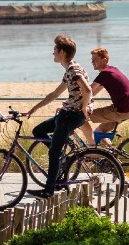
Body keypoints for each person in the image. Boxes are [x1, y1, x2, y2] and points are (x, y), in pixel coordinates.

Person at [23, 34, 91, 197]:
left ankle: (49, 190)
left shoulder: (73, 70)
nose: (52, 53)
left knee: (53, 153)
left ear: (61, 52)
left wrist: (83, 108)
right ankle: (61, 157)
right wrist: (34, 109)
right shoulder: (70, 69)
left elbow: (87, 90)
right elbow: (54, 94)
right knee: (38, 131)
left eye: (54, 50)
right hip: (66, 114)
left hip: (70, 116)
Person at [87, 46, 129, 145]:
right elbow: (92, 93)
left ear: (104, 60)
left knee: (83, 116)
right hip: (128, 109)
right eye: (92, 60)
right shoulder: (111, 70)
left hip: (120, 111)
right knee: (99, 131)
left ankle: (93, 150)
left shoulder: (105, 74)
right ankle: (112, 158)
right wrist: (85, 101)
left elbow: (88, 91)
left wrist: (75, 103)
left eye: (95, 60)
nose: (92, 62)